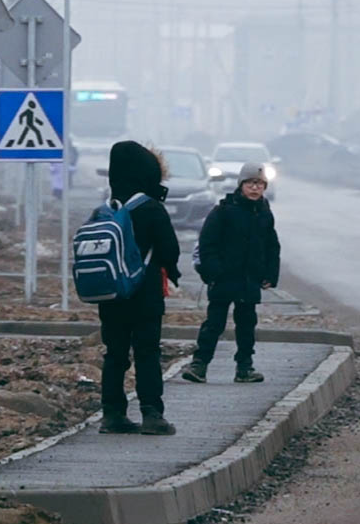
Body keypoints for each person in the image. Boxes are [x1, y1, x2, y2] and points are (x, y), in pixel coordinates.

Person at [98, 140, 182, 435]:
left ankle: (112, 415)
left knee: (115, 354)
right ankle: (152, 414)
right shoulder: (150, 208)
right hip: (145, 294)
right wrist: (172, 271)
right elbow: (170, 250)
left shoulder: (105, 210)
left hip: (111, 294)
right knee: (147, 352)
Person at [182, 161, 280, 384]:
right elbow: (207, 244)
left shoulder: (264, 213)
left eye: (259, 184)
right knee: (214, 324)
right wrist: (213, 273)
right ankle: (199, 364)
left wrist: (270, 274)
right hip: (224, 279)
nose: (255, 188)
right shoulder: (223, 211)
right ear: (241, 185)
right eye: (250, 183)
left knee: (246, 326)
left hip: (250, 280)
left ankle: (244, 367)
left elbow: (271, 246)